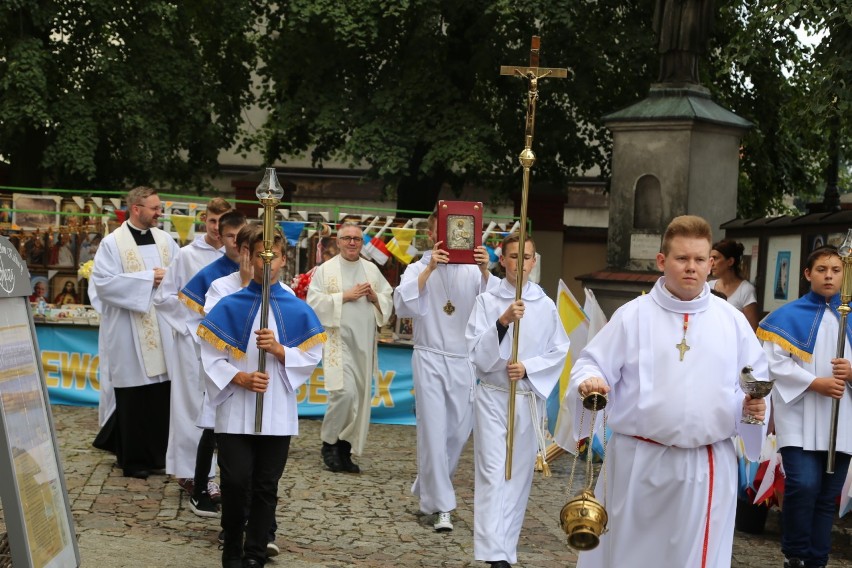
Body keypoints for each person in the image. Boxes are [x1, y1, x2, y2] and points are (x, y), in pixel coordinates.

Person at [568, 215, 769, 568]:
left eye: (699, 259)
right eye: (681, 259)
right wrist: (590, 381)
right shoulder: (634, 316)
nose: (691, 267)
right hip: (639, 463)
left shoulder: (731, 321)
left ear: (711, 264)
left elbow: (753, 385)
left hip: (705, 465)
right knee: (629, 557)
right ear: (662, 261)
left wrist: (751, 410)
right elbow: (590, 363)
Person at [198, 229, 325, 568]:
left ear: (284, 260)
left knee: (266, 485)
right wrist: (238, 376)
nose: (266, 263)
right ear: (249, 258)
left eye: (274, 257)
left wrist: (281, 350)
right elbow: (209, 356)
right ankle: (231, 549)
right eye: (259, 256)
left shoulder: (296, 308)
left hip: (276, 410)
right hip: (236, 409)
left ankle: (255, 553)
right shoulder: (229, 304)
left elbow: (312, 356)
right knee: (237, 481)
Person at [466, 233, 569, 567]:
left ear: (534, 261)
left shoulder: (545, 304)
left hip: (526, 399)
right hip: (494, 397)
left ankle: (505, 550)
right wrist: (503, 322)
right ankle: (492, 552)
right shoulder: (488, 300)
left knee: (518, 475)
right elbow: (475, 351)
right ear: (503, 260)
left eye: (526, 257)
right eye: (513, 257)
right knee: (493, 471)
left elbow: (559, 351)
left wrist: (528, 368)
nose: (519, 264)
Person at [394, 213, 498, 532]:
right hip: (428, 356)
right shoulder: (417, 266)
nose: (454, 233)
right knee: (433, 431)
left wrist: (484, 269)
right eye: (445, 226)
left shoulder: (473, 269)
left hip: (463, 358)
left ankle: (428, 491)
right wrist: (429, 270)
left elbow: (492, 305)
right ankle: (443, 507)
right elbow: (403, 304)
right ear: (431, 231)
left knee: (457, 432)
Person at [757, 245, 852, 568]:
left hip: (842, 419)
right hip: (799, 415)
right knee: (804, 484)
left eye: (836, 270)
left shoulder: (849, 316)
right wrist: (816, 383)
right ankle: (795, 554)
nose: (829, 276)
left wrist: (851, 373)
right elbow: (774, 364)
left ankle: (817, 560)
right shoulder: (785, 317)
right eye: (822, 269)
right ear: (808, 273)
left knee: (828, 496)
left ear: (844, 274)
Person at [91, 186, 180, 479]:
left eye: (159, 207)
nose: (159, 212)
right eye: (154, 208)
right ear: (136, 209)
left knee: (160, 396)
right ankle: (132, 461)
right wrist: (147, 279)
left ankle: (158, 456)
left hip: (163, 329)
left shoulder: (167, 241)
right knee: (134, 397)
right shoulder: (112, 244)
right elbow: (103, 284)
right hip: (129, 331)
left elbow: (181, 276)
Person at [152, 198, 233, 506]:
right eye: (212, 221)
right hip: (192, 341)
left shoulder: (237, 255)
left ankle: (219, 471)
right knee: (190, 406)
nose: (216, 228)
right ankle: (191, 473)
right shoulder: (187, 255)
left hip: (224, 343)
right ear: (204, 221)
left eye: (222, 222)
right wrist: (190, 323)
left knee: (218, 407)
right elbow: (165, 297)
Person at [307, 221, 393, 473]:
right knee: (342, 394)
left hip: (363, 344)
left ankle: (345, 448)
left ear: (362, 243)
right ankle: (329, 443)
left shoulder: (371, 270)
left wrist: (374, 297)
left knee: (359, 398)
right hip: (337, 341)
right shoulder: (326, 270)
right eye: (347, 238)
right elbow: (312, 302)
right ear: (338, 241)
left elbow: (387, 299)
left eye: (356, 238)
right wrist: (346, 295)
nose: (352, 242)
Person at [653, 0, 715, 83]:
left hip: (692, 4)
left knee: (688, 35)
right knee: (669, 34)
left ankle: (687, 74)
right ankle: (669, 73)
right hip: (671, 5)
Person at [710, 239, 759, 330]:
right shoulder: (708, 287)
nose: (711, 263)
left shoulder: (746, 290)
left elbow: (752, 329)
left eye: (715, 258)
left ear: (730, 261)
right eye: (710, 259)